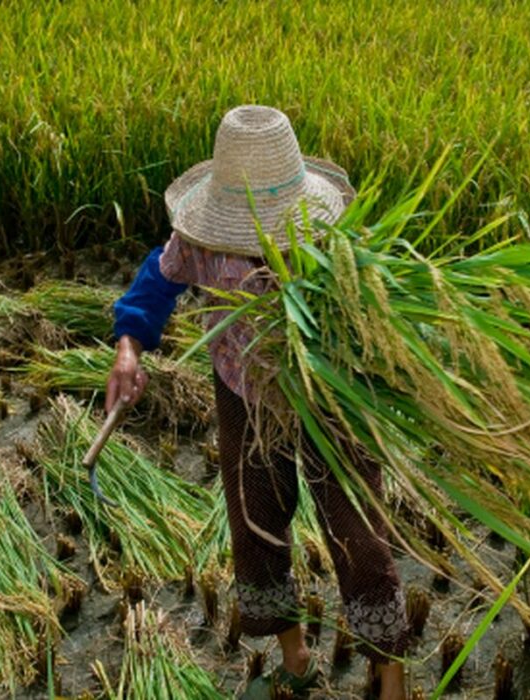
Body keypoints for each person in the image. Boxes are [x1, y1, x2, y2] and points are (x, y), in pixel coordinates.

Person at [106, 105, 409, 700]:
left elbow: (381, 311)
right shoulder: (199, 240)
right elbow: (155, 283)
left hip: (328, 395)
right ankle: (294, 657)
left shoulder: (333, 240)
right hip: (243, 392)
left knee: (358, 533)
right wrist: (128, 349)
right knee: (256, 522)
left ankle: (390, 673)